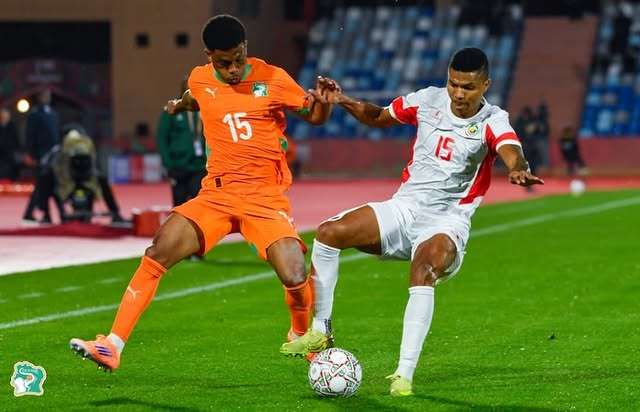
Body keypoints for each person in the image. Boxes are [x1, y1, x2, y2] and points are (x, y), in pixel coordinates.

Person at [69, 14, 333, 371]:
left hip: (263, 198)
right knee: (158, 250)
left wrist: (324, 103)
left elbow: (313, 115)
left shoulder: (273, 78)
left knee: (295, 272)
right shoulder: (200, 78)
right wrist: (180, 105)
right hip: (216, 196)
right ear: (209, 56)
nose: (233, 69)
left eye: (238, 58)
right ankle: (112, 345)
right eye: (224, 63)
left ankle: (301, 334)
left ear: (245, 48)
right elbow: (198, 96)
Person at [280, 48, 544, 396]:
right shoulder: (427, 100)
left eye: (468, 87)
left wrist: (518, 168)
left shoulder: (493, 120)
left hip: (446, 223)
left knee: (422, 271)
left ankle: (403, 374)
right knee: (329, 233)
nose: (458, 93)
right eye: (453, 84)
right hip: (404, 209)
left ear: (485, 85)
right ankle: (321, 329)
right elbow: (379, 116)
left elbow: (511, 149)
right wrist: (342, 100)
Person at [156, 79, 207, 208]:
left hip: (199, 166)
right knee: (179, 206)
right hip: (178, 166)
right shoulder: (172, 108)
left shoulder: (205, 108)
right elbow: (162, 138)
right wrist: (168, 164)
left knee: (199, 206)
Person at [22, 88, 64, 224]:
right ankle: (54, 214)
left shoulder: (53, 113)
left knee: (47, 185)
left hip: (54, 155)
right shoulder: (34, 114)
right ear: (40, 97)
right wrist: (30, 154)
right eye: (45, 95)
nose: (47, 97)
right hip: (41, 155)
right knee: (43, 185)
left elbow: (57, 133)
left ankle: (44, 214)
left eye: (48, 95)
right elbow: (30, 136)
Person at [0, 107, 21, 181]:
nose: (4, 118)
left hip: (10, 159)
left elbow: (16, 142)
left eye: (6, 117)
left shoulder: (13, 127)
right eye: (2, 117)